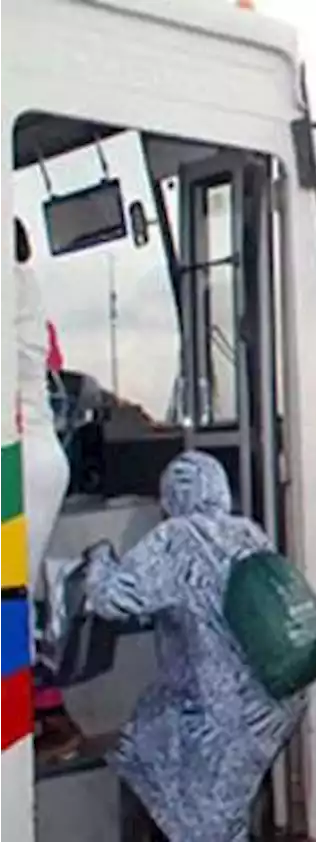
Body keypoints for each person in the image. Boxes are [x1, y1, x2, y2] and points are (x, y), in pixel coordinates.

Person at [84, 451, 302, 841]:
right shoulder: (248, 531)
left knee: (204, 821)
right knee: (207, 801)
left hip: (218, 715)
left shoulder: (177, 537)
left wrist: (98, 558)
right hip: (270, 705)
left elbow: (111, 600)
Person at [15, 218, 78, 762]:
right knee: (22, 595)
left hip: (15, 458)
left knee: (11, 602)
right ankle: (46, 710)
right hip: (40, 455)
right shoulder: (30, 294)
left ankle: (19, 728)